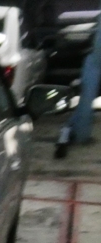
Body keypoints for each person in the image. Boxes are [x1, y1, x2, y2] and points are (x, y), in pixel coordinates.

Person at [55, 10, 101, 158]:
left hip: (93, 62)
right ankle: (70, 135)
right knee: (84, 105)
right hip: (94, 62)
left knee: (84, 104)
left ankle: (67, 135)